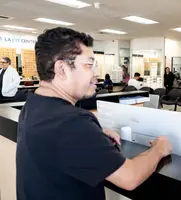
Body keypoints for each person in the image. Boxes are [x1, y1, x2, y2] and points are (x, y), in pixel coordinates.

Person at [16, 27, 172, 200]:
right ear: (61, 69)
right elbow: (130, 177)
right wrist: (159, 149)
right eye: (89, 65)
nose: (95, 74)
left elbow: (59, 145)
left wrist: (93, 137)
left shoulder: (33, 105)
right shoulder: (72, 121)